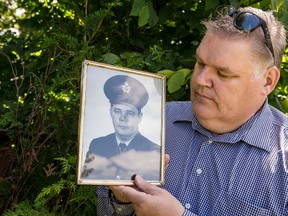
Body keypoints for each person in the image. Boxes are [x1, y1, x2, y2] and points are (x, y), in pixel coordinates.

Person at [96, 6, 288, 216]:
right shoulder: (155, 121)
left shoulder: (283, 158)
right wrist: (122, 200)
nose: (199, 79)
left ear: (268, 81)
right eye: (200, 63)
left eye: (223, 74)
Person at [81, 75, 160, 181]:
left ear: (139, 117)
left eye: (130, 113)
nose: (123, 118)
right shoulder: (97, 145)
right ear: (110, 112)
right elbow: (89, 183)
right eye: (117, 111)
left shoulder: (153, 151)